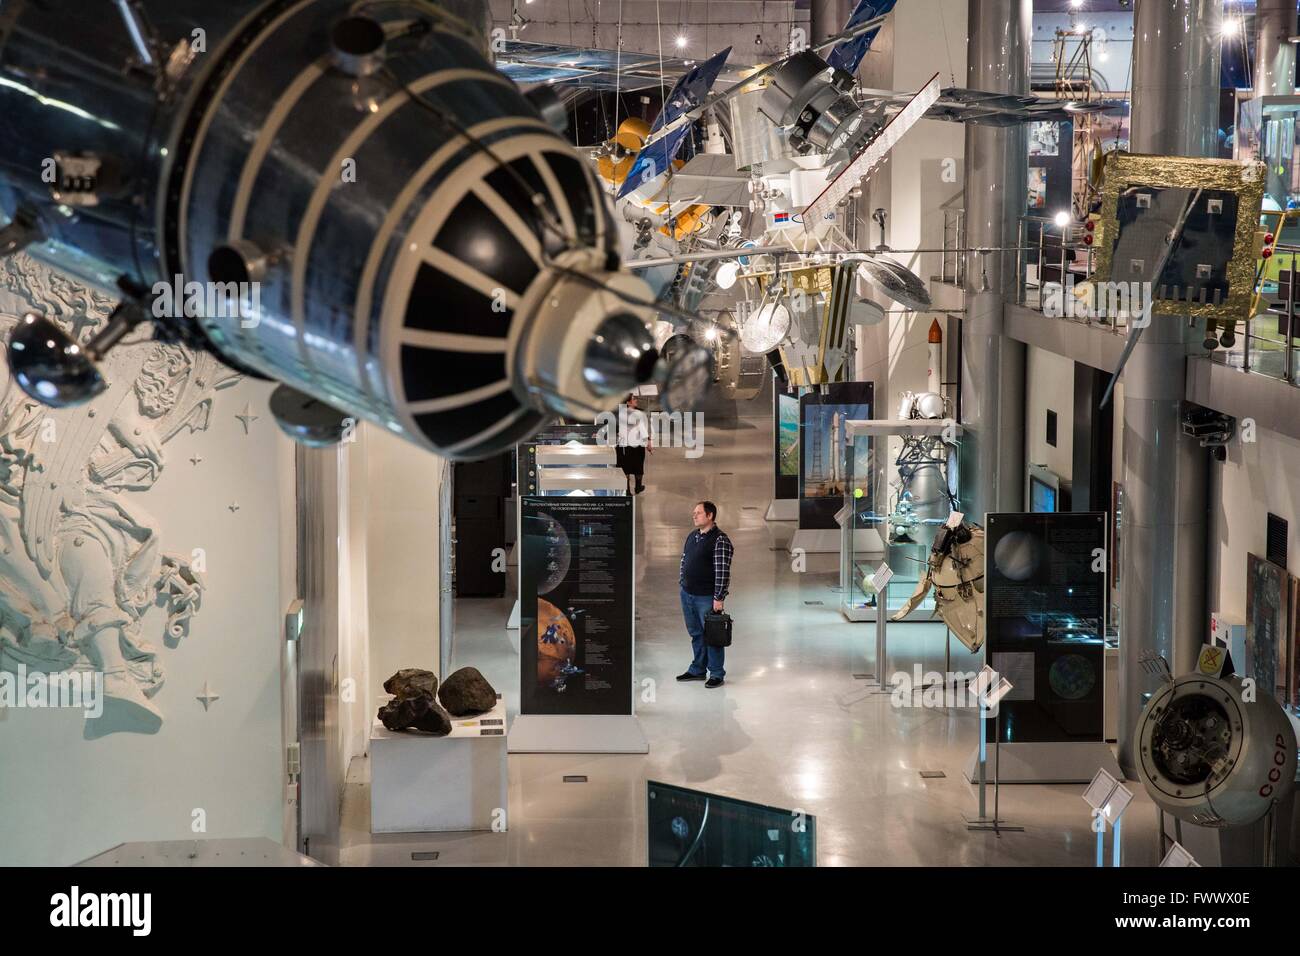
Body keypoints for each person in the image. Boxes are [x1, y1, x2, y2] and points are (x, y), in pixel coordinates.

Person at [676, 500, 734, 688]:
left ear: (710, 516)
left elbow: (722, 571)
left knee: (713, 636)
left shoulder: (720, 540)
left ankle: (716, 673)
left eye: (698, 513)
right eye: (694, 512)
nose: (694, 515)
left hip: (706, 597)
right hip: (687, 594)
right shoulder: (692, 536)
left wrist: (719, 597)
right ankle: (698, 669)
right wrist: (682, 582)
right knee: (696, 633)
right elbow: (684, 560)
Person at [614, 393, 651, 495]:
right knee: (638, 467)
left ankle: (627, 491)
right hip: (637, 445)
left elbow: (615, 429)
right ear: (628, 402)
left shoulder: (619, 414)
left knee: (625, 469)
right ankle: (638, 487)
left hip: (623, 446)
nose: (636, 400)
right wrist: (648, 442)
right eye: (634, 399)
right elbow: (642, 429)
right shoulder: (638, 413)